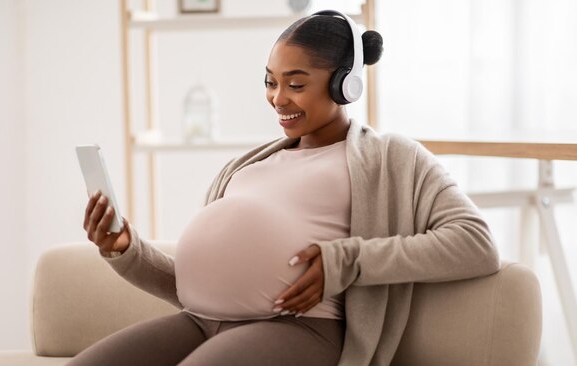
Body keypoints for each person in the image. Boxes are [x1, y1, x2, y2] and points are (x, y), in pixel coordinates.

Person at [69, 9, 500, 366]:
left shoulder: (392, 159)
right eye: (270, 82)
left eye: (296, 84)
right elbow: (190, 285)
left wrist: (345, 261)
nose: (278, 98)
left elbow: (475, 244)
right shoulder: (248, 165)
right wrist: (125, 248)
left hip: (300, 327)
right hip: (198, 319)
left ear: (344, 84)